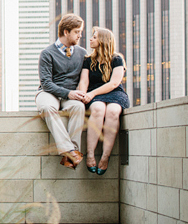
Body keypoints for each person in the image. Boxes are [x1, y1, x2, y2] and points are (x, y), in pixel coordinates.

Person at [36, 13, 87, 169]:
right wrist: (68, 93)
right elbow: (46, 84)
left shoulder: (82, 53)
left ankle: (70, 156)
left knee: (79, 107)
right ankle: (70, 151)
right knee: (46, 107)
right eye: (77, 31)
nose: (80, 35)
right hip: (48, 92)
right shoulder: (47, 53)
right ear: (66, 32)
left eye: (80, 32)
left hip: (69, 96)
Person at [77, 26, 130, 175]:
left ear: (103, 40)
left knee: (113, 111)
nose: (91, 39)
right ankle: (90, 154)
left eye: (94, 36)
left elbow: (114, 83)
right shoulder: (88, 60)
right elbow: (84, 81)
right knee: (98, 109)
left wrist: (92, 93)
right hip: (95, 96)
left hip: (114, 93)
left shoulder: (117, 59)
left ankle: (105, 157)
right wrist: (83, 95)